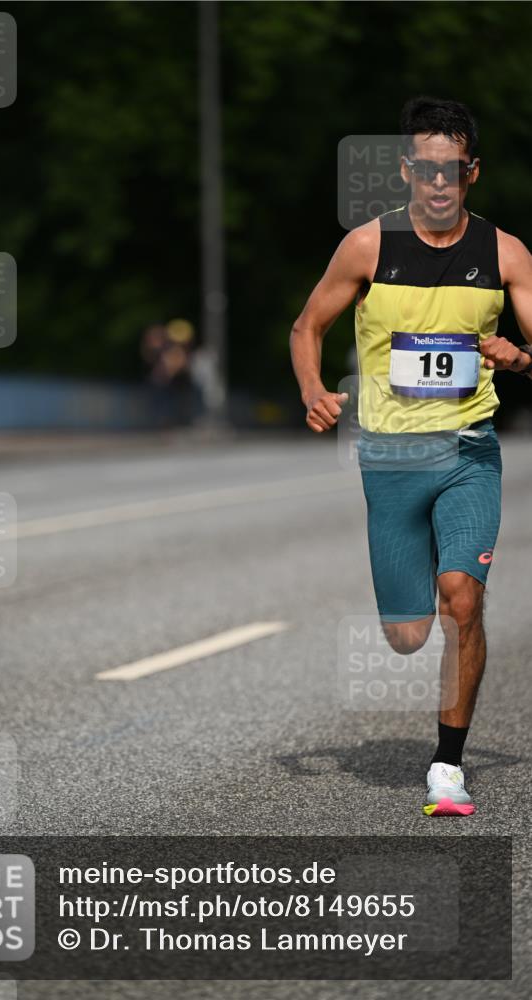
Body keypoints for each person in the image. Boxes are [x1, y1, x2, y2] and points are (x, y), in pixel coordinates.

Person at [290, 96, 532, 816]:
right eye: (424, 169)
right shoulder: (366, 247)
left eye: (450, 170)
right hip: (391, 459)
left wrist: (515, 356)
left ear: (471, 172)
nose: (436, 182)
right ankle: (423, 566)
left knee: (462, 599)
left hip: (467, 451)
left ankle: (446, 768)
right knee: (405, 635)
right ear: (405, 171)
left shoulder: (506, 254)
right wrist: (311, 390)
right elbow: (306, 326)